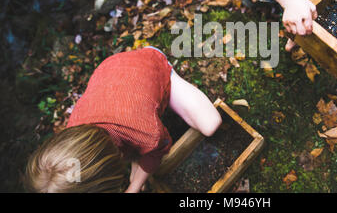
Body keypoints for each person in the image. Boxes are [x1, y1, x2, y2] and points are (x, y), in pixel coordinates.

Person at [25, 47, 222, 193]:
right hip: (111, 72)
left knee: (210, 124)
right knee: (138, 160)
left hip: (147, 64)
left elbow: (159, 149)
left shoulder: (147, 133)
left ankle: (166, 69)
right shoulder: (73, 134)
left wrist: (134, 186)